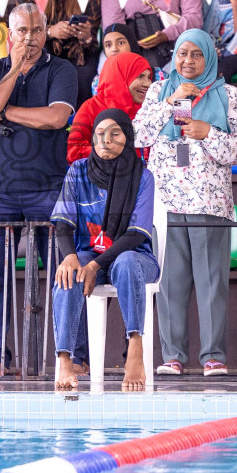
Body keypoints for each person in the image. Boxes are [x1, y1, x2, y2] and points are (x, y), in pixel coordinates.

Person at [134, 29, 237, 376]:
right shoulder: (159, 90)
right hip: (165, 204)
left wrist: (207, 132)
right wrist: (169, 103)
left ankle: (213, 356)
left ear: (209, 57)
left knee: (212, 282)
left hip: (209, 204)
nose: (187, 61)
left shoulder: (227, 94)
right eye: (182, 54)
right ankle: (173, 356)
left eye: (196, 54)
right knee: (169, 283)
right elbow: (139, 135)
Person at [0, 3, 76, 374]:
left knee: (62, 273)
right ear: (9, 34)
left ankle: (69, 358)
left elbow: (56, 117)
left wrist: (7, 111)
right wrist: (15, 69)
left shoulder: (61, 69)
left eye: (36, 30)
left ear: (46, 32)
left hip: (48, 187)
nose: (29, 38)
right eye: (22, 31)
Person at [52, 108, 159, 391]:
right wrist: (71, 257)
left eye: (115, 134)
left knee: (124, 262)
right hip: (88, 255)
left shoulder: (142, 176)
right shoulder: (78, 171)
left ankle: (135, 346)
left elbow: (136, 235)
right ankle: (65, 358)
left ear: (128, 137)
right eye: (100, 134)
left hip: (137, 259)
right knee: (67, 273)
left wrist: (95, 265)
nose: (106, 141)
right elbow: (62, 223)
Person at [68, 50, 151, 161]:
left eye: (149, 77)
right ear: (121, 76)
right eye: (140, 76)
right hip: (104, 176)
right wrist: (112, 151)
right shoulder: (91, 108)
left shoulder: (148, 108)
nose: (148, 83)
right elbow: (73, 151)